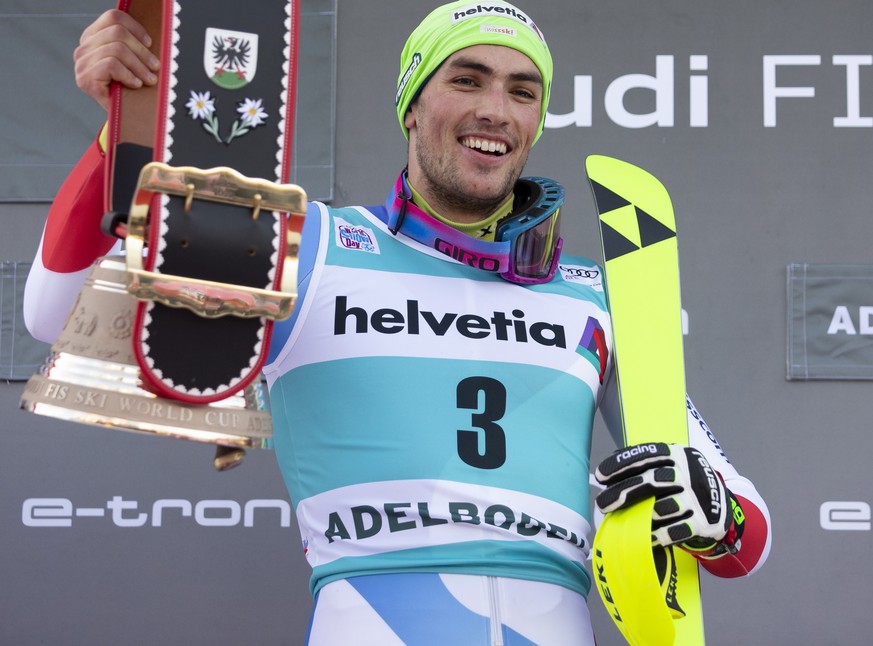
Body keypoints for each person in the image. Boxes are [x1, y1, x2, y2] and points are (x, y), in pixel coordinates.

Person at [25, 2, 771, 644]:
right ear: (411, 103)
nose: (494, 109)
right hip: (371, 608)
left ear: (536, 122)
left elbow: (745, 526)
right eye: (465, 78)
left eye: (522, 91)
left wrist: (710, 511)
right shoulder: (311, 246)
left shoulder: (593, 293)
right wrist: (113, 137)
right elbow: (54, 313)